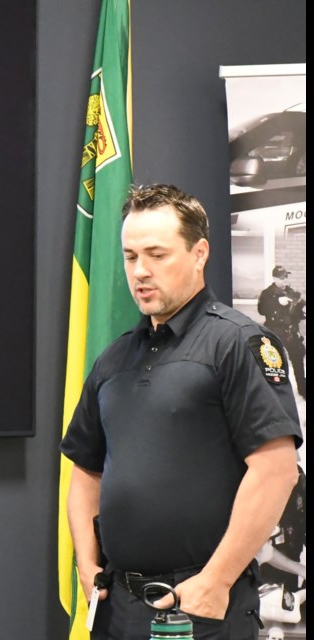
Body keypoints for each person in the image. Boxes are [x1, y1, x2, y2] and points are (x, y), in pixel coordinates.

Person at [60, 184, 303, 640]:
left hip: (201, 606)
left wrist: (216, 581)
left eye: (157, 254)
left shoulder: (238, 343)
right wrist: (85, 561)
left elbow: (276, 470)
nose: (140, 271)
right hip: (117, 608)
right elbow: (85, 470)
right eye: (131, 257)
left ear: (199, 253)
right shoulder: (112, 360)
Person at [257, 265, 306, 400]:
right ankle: (276, 393)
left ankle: (302, 388)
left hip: (291, 331)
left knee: (298, 359)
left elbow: (298, 310)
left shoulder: (292, 292)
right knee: (274, 363)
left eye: (285, 277)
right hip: (275, 331)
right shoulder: (267, 293)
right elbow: (261, 309)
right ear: (274, 278)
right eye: (281, 277)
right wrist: (277, 301)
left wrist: (303, 311)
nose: (284, 280)